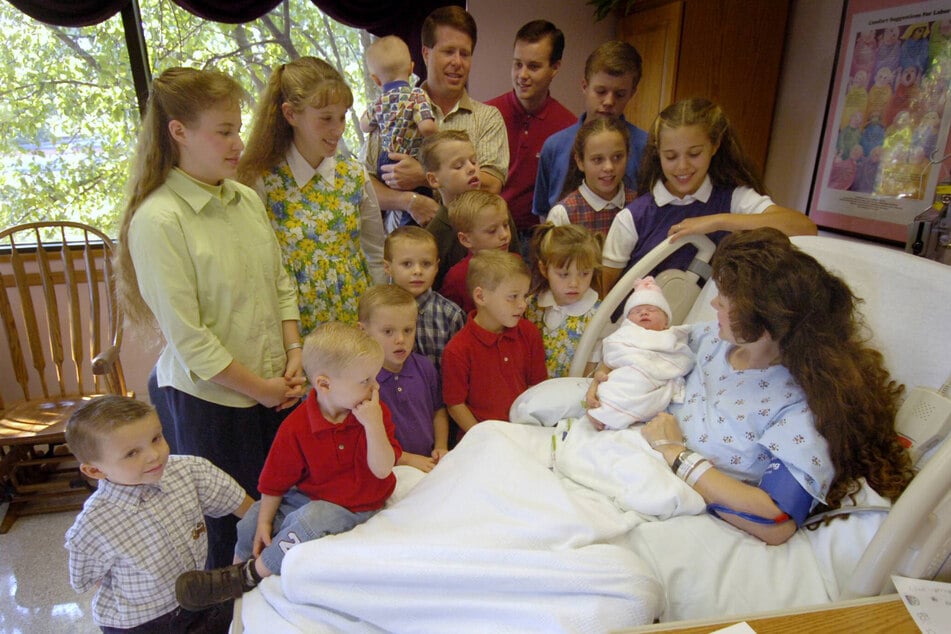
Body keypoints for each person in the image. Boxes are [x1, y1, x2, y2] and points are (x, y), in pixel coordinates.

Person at [115, 67, 305, 569]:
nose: (238, 142)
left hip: (274, 388)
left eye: (237, 128)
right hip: (213, 402)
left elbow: (279, 283)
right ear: (178, 131)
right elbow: (190, 340)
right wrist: (261, 390)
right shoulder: (159, 220)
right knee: (229, 534)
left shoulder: (242, 198)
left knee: (280, 516)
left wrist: (293, 354)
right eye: (223, 131)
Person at [636, 228, 913, 545]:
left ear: (765, 322)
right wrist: (606, 373)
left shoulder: (801, 406)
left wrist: (675, 453)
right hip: (629, 458)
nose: (713, 303)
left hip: (670, 500)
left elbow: (775, 520)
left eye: (725, 301)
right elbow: (648, 349)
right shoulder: (712, 338)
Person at [175, 323, 402, 610]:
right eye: (366, 380)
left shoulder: (373, 413)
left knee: (309, 521)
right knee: (250, 520)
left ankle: (252, 574)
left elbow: (382, 470)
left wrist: (373, 425)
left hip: (358, 504)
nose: (376, 387)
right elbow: (275, 480)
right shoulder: (297, 425)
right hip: (309, 495)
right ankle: (230, 589)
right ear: (324, 384)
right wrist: (264, 522)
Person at [64, 396, 253, 633]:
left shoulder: (191, 471)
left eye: (156, 438)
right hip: (138, 623)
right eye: (132, 453)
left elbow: (248, 508)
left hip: (196, 600)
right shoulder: (93, 525)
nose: (154, 455)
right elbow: (85, 580)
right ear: (95, 470)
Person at [601, 97, 818, 294]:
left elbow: (804, 227)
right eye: (671, 156)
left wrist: (716, 221)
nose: (682, 166)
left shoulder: (734, 200)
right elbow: (604, 295)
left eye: (694, 154)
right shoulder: (633, 218)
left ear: (714, 146)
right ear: (658, 153)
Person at [238, 56, 385, 331]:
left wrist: (379, 321)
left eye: (341, 117)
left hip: (354, 318)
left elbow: (375, 253)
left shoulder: (353, 175)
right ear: (291, 114)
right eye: (326, 119)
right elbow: (255, 269)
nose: (338, 129)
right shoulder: (264, 180)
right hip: (296, 324)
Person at [366, 6, 508, 228]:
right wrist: (409, 201)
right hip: (404, 252)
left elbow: (491, 186)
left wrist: (425, 176)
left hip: (465, 247)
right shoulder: (389, 109)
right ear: (425, 54)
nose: (457, 62)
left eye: (465, 53)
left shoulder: (488, 118)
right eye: (448, 51)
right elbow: (367, 185)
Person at [485, 20, 577, 250]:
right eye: (517, 64)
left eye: (533, 67)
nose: (522, 75)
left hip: (537, 239)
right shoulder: (486, 115)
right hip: (487, 234)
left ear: (555, 67)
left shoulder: (569, 127)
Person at [533, 40, 647, 220]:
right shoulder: (554, 146)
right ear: (585, 86)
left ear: (632, 93)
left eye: (619, 94)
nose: (609, 101)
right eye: (601, 91)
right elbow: (543, 212)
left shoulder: (646, 146)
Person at [442, 249, 547, 435]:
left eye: (524, 295)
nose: (522, 304)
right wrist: (485, 437)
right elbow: (455, 405)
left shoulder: (529, 333)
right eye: (513, 296)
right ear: (481, 297)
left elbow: (536, 387)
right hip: (482, 439)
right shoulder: (457, 349)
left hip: (526, 431)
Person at [359, 284, 450, 472]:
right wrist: (406, 459)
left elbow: (438, 411)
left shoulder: (424, 367)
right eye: (388, 332)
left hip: (428, 462)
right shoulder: (363, 382)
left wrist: (441, 446)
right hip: (390, 468)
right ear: (363, 331)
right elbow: (365, 436)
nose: (400, 339)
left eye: (408, 330)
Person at [584, 276, 694, 430]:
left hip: (651, 381)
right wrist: (600, 375)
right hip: (624, 378)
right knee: (613, 391)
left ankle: (618, 414)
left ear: (665, 322)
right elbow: (613, 358)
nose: (643, 313)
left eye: (651, 310)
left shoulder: (671, 339)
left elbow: (681, 360)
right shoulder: (623, 337)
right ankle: (608, 409)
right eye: (636, 312)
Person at [359, 35, 438, 234]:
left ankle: (398, 235)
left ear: (375, 79)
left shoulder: (379, 102)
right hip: (411, 158)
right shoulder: (417, 95)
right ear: (411, 68)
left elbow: (364, 126)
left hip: (386, 161)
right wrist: (436, 135)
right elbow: (427, 127)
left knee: (396, 208)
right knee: (420, 204)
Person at [421, 130, 521, 287]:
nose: (471, 169)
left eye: (474, 162)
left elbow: (515, 260)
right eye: (459, 166)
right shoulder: (434, 236)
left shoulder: (498, 212)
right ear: (434, 179)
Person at [524, 223, 602, 378]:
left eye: (584, 273)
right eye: (564, 274)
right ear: (544, 269)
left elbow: (591, 371)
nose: (574, 283)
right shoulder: (531, 306)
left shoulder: (598, 314)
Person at [383, 226, 465, 372]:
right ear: (388, 267)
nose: (417, 271)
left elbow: (458, 368)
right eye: (407, 264)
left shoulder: (451, 315)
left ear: (436, 267)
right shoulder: (375, 311)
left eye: (426, 264)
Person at [546, 116, 636, 238]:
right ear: (580, 162)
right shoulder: (563, 214)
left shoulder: (640, 205)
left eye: (617, 157)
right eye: (598, 159)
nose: (609, 167)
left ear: (628, 155)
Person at [440, 190, 513, 313]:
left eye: (506, 225)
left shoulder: (515, 263)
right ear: (465, 239)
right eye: (492, 231)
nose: (504, 235)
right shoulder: (458, 277)